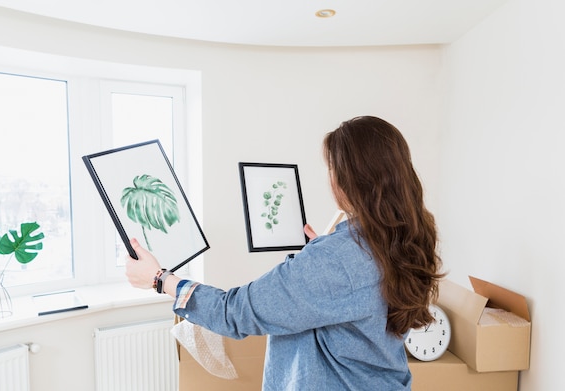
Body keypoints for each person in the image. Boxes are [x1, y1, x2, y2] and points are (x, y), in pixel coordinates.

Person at [126, 115, 444, 390]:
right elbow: (360, 292)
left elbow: (234, 313)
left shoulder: (339, 258)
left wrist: (159, 279)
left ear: (348, 180)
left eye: (331, 169)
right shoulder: (406, 235)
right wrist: (324, 257)